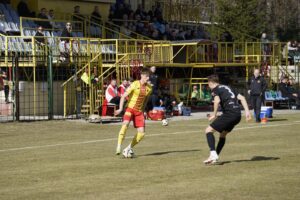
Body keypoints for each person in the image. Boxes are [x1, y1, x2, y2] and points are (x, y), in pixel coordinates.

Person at [204, 75, 251, 164]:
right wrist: (247, 112)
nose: (208, 86)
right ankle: (214, 157)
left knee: (208, 130)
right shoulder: (227, 87)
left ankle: (213, 154)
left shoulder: (215, 89)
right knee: (223, 134)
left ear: (211, 83)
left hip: (230, 114)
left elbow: (217, 101)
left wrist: (214, 114)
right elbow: (242, 98)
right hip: (237, 115)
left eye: (208, 84)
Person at [114, 68, 152, 157]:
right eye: (147, 76)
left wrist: (144, 110)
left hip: (139, 112)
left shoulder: (149, 88)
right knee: (125, 125)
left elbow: (146, 100)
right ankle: (118, 146)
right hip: (130, 109)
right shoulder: (135, 84)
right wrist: (120, 109)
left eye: (148, 76)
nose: (148, 78)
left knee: (142, 133)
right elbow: (123, 96)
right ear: (142, 76)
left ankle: (128, 148)